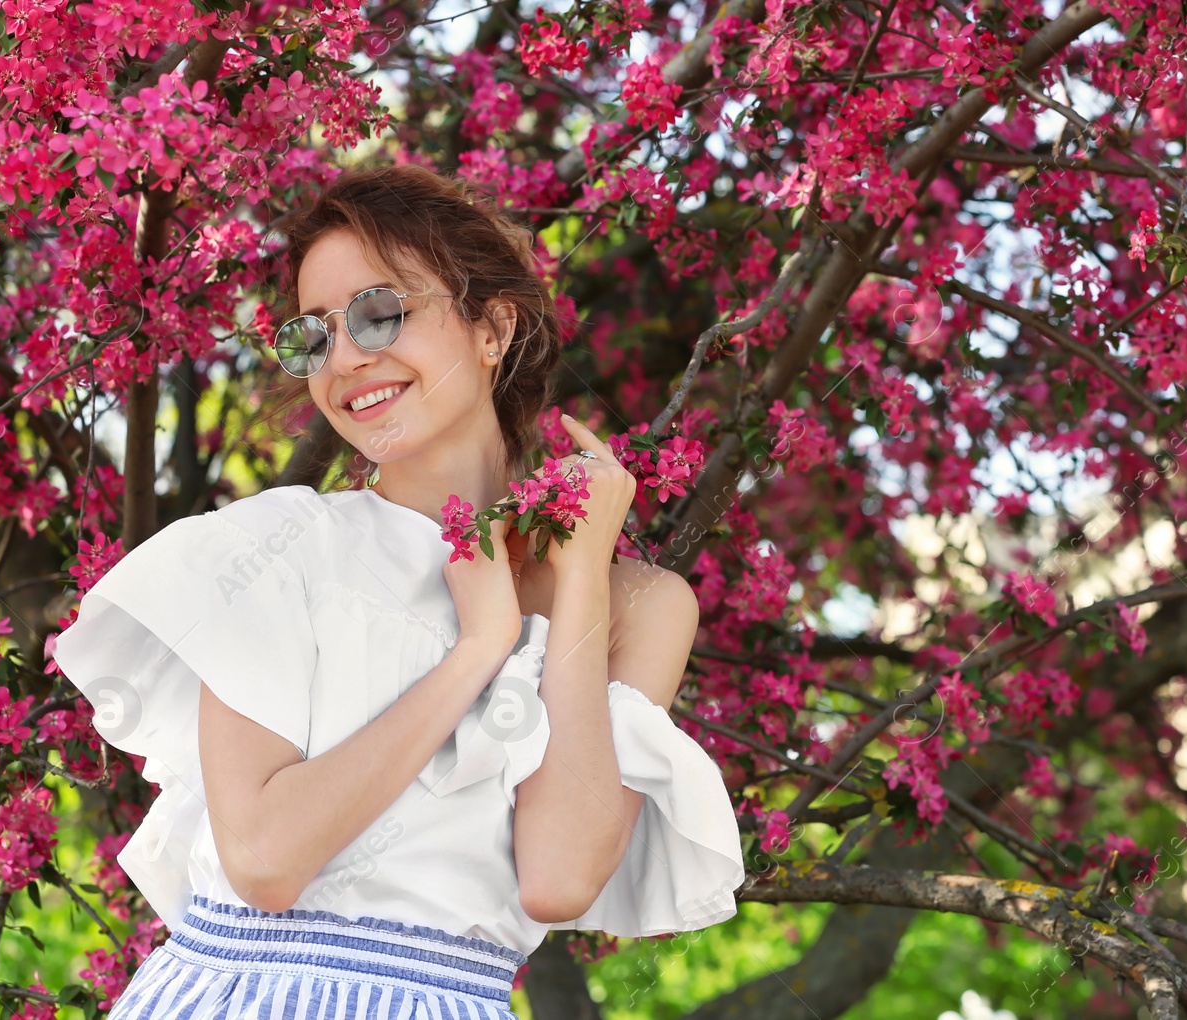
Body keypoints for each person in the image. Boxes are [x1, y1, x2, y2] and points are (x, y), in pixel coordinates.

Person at [48, 164, 745, 1020]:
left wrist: (579, 578)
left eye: (381, 313)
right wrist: (477, 651)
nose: (346, 359)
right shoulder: (277, 547)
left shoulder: (643, 603)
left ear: (493, 327)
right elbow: (263, 860)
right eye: (313, 337)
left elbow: (559, 878)